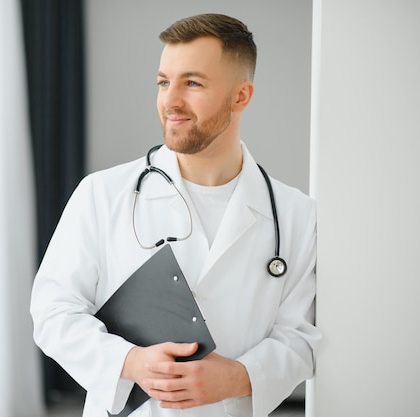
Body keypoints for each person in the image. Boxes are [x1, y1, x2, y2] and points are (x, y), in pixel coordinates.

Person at [30, 13, 321, 417]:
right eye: (164, 82)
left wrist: (237, 377)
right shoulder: (102, 194)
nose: (170, 101)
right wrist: (132, 362)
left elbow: (302, 338)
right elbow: (52, 312)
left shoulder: (296, 216)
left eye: (193, 83)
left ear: (241, 96)